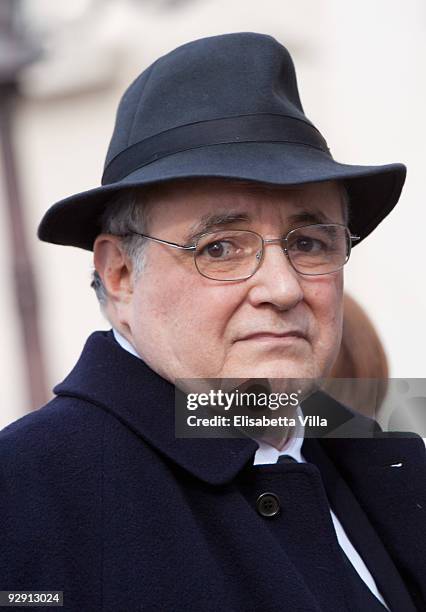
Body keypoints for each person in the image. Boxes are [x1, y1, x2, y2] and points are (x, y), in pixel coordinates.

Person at [1, 33, 424, 612]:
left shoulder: (386, 466)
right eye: (219, 248)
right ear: (120, 273)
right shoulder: (26, 498)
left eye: (309, 242)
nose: (282, 288)